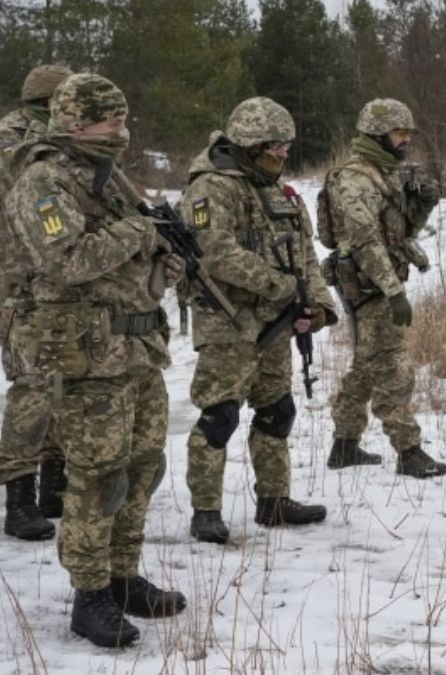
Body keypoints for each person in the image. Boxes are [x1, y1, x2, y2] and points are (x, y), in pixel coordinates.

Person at [3, 73, 186, 648]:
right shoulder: (43, 182)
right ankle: (91, 594)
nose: (122, 130)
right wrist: (141, 229)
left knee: (142, 469)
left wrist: (165, 259)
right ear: (76, 122)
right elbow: (67, 260)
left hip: (135, 350)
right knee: (96, 480)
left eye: (124, 118)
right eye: (111, 120)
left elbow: (138, 266)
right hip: (85, 358)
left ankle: (124, 576)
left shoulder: (111, 181)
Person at [180, 97, 337, 544]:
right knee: (220, 416)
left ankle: (274, 501)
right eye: (274, 146)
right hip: (228, 324)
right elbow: (216, 252)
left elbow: (305, 254)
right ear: (249, 145)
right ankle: (205, 510)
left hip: (275, 326)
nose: (283, 153)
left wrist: (319, 303)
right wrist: (281, 286)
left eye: (287, 145)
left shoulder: (277, 191)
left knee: (276, 411)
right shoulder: (211, 188)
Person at [321, 98, 446, 479]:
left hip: (381, 282)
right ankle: (408, 451)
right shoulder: (356, 178)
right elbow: (365, 241)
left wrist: (424, 203)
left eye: (408, 132)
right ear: (377, 134)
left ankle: (344, 446)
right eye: (398, 132)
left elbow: (398, 234)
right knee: (394, 369)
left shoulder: (384, 172)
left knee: (365, 366)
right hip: (370, 287)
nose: (405, 139)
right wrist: (394, 291)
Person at [0, 64, 73, 540]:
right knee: (32, 391)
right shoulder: (9, 137)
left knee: (63, 382)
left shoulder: (59, 135)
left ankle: (54, 484)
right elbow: (22, 182)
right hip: (22, 286)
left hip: (59, 281)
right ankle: (19, 498)